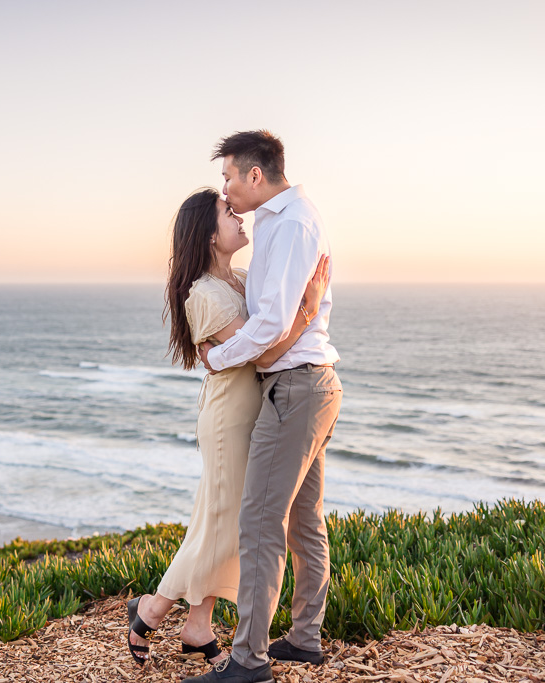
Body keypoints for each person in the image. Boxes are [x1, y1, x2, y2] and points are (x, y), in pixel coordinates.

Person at [126, 187, 329, 666]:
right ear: (207, 234)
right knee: (224, 525)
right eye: (226, 212)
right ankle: (152, 610)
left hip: (253, 414)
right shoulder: (205, 294)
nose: (238, 216)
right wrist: (309, 306)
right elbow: (264, 351)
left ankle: (195, 626)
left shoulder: (237, 279)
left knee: (219, 521)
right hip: (228, 421)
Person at [185, 131, 342, 683]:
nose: (225, 189)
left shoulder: (292, 221)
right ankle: (304, 640)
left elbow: (272, 323)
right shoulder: (280, 220)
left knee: (258, 522)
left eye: (229, 177)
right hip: (307, 385)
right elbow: (273, 308)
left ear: (256, 174)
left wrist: (219, 356)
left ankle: (248, 661)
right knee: (302, 522)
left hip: (297, 386)